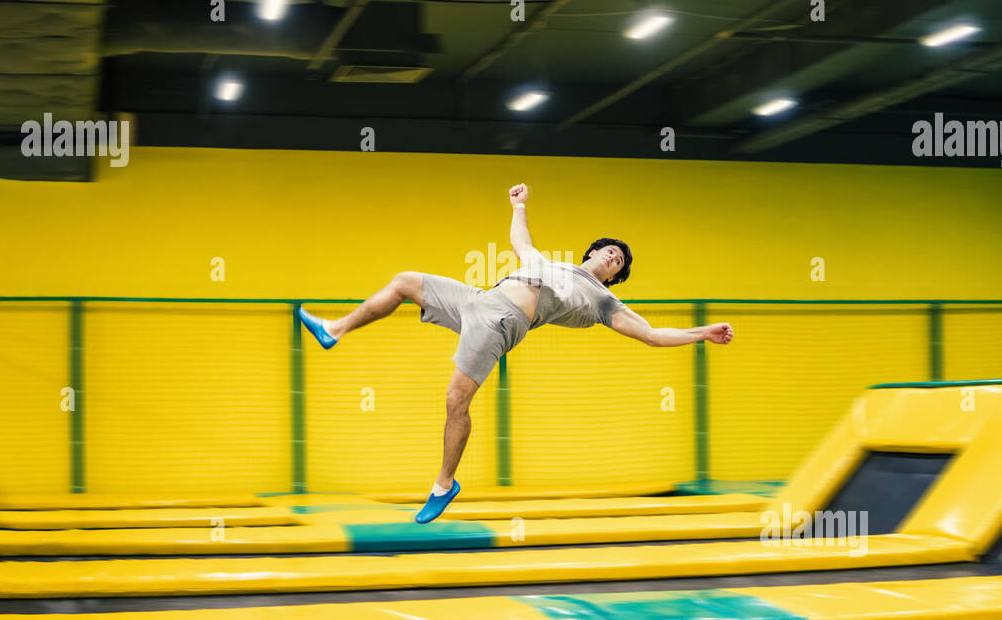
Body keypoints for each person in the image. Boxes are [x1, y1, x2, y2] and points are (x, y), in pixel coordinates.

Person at [297, 183, 734, 522]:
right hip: (476, 299)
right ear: (592, 251)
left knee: (455, 400)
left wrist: (703, 333)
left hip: (500, 323)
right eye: (608, 250)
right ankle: (335, 329)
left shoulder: (604, 303)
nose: (611, 257)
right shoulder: (553, 264)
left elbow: (654, 335)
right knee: (405, 280)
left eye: (619, 261)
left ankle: (444, 484)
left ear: (616, 277)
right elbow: (521, 244)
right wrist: (519, 206)